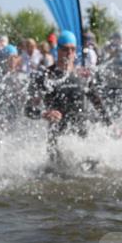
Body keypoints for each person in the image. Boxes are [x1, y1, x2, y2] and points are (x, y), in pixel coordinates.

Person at [24, 31, 112, 162]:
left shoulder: (83, 75)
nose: (69, 53)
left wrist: (111, 126)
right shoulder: (45, 77)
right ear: (58, 50)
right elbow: (28, 109)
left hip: (82, 142)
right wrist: (44, 114)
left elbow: (98, 103)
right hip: (58, 142)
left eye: (73, 49)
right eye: (65, 49)